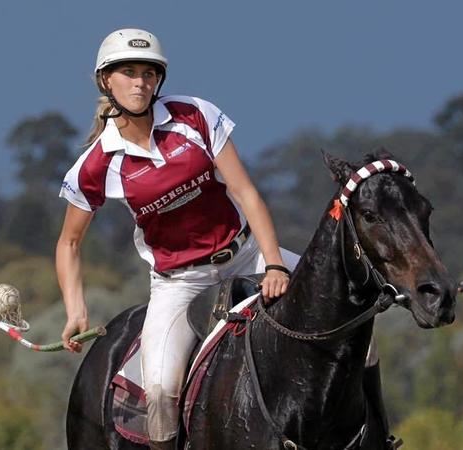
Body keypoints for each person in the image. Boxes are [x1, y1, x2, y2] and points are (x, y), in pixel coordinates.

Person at [56, 28, 299, 450]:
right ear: (105, 82)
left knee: (347, 300)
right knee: (161, 393)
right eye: (128, 72)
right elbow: (69, 244)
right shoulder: (96, 165)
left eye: (148, 73)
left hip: (249, 253)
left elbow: (245, 191)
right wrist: (76, 311)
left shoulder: (194, 115)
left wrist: (275, 262)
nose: (140, 82)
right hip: (179, 282)